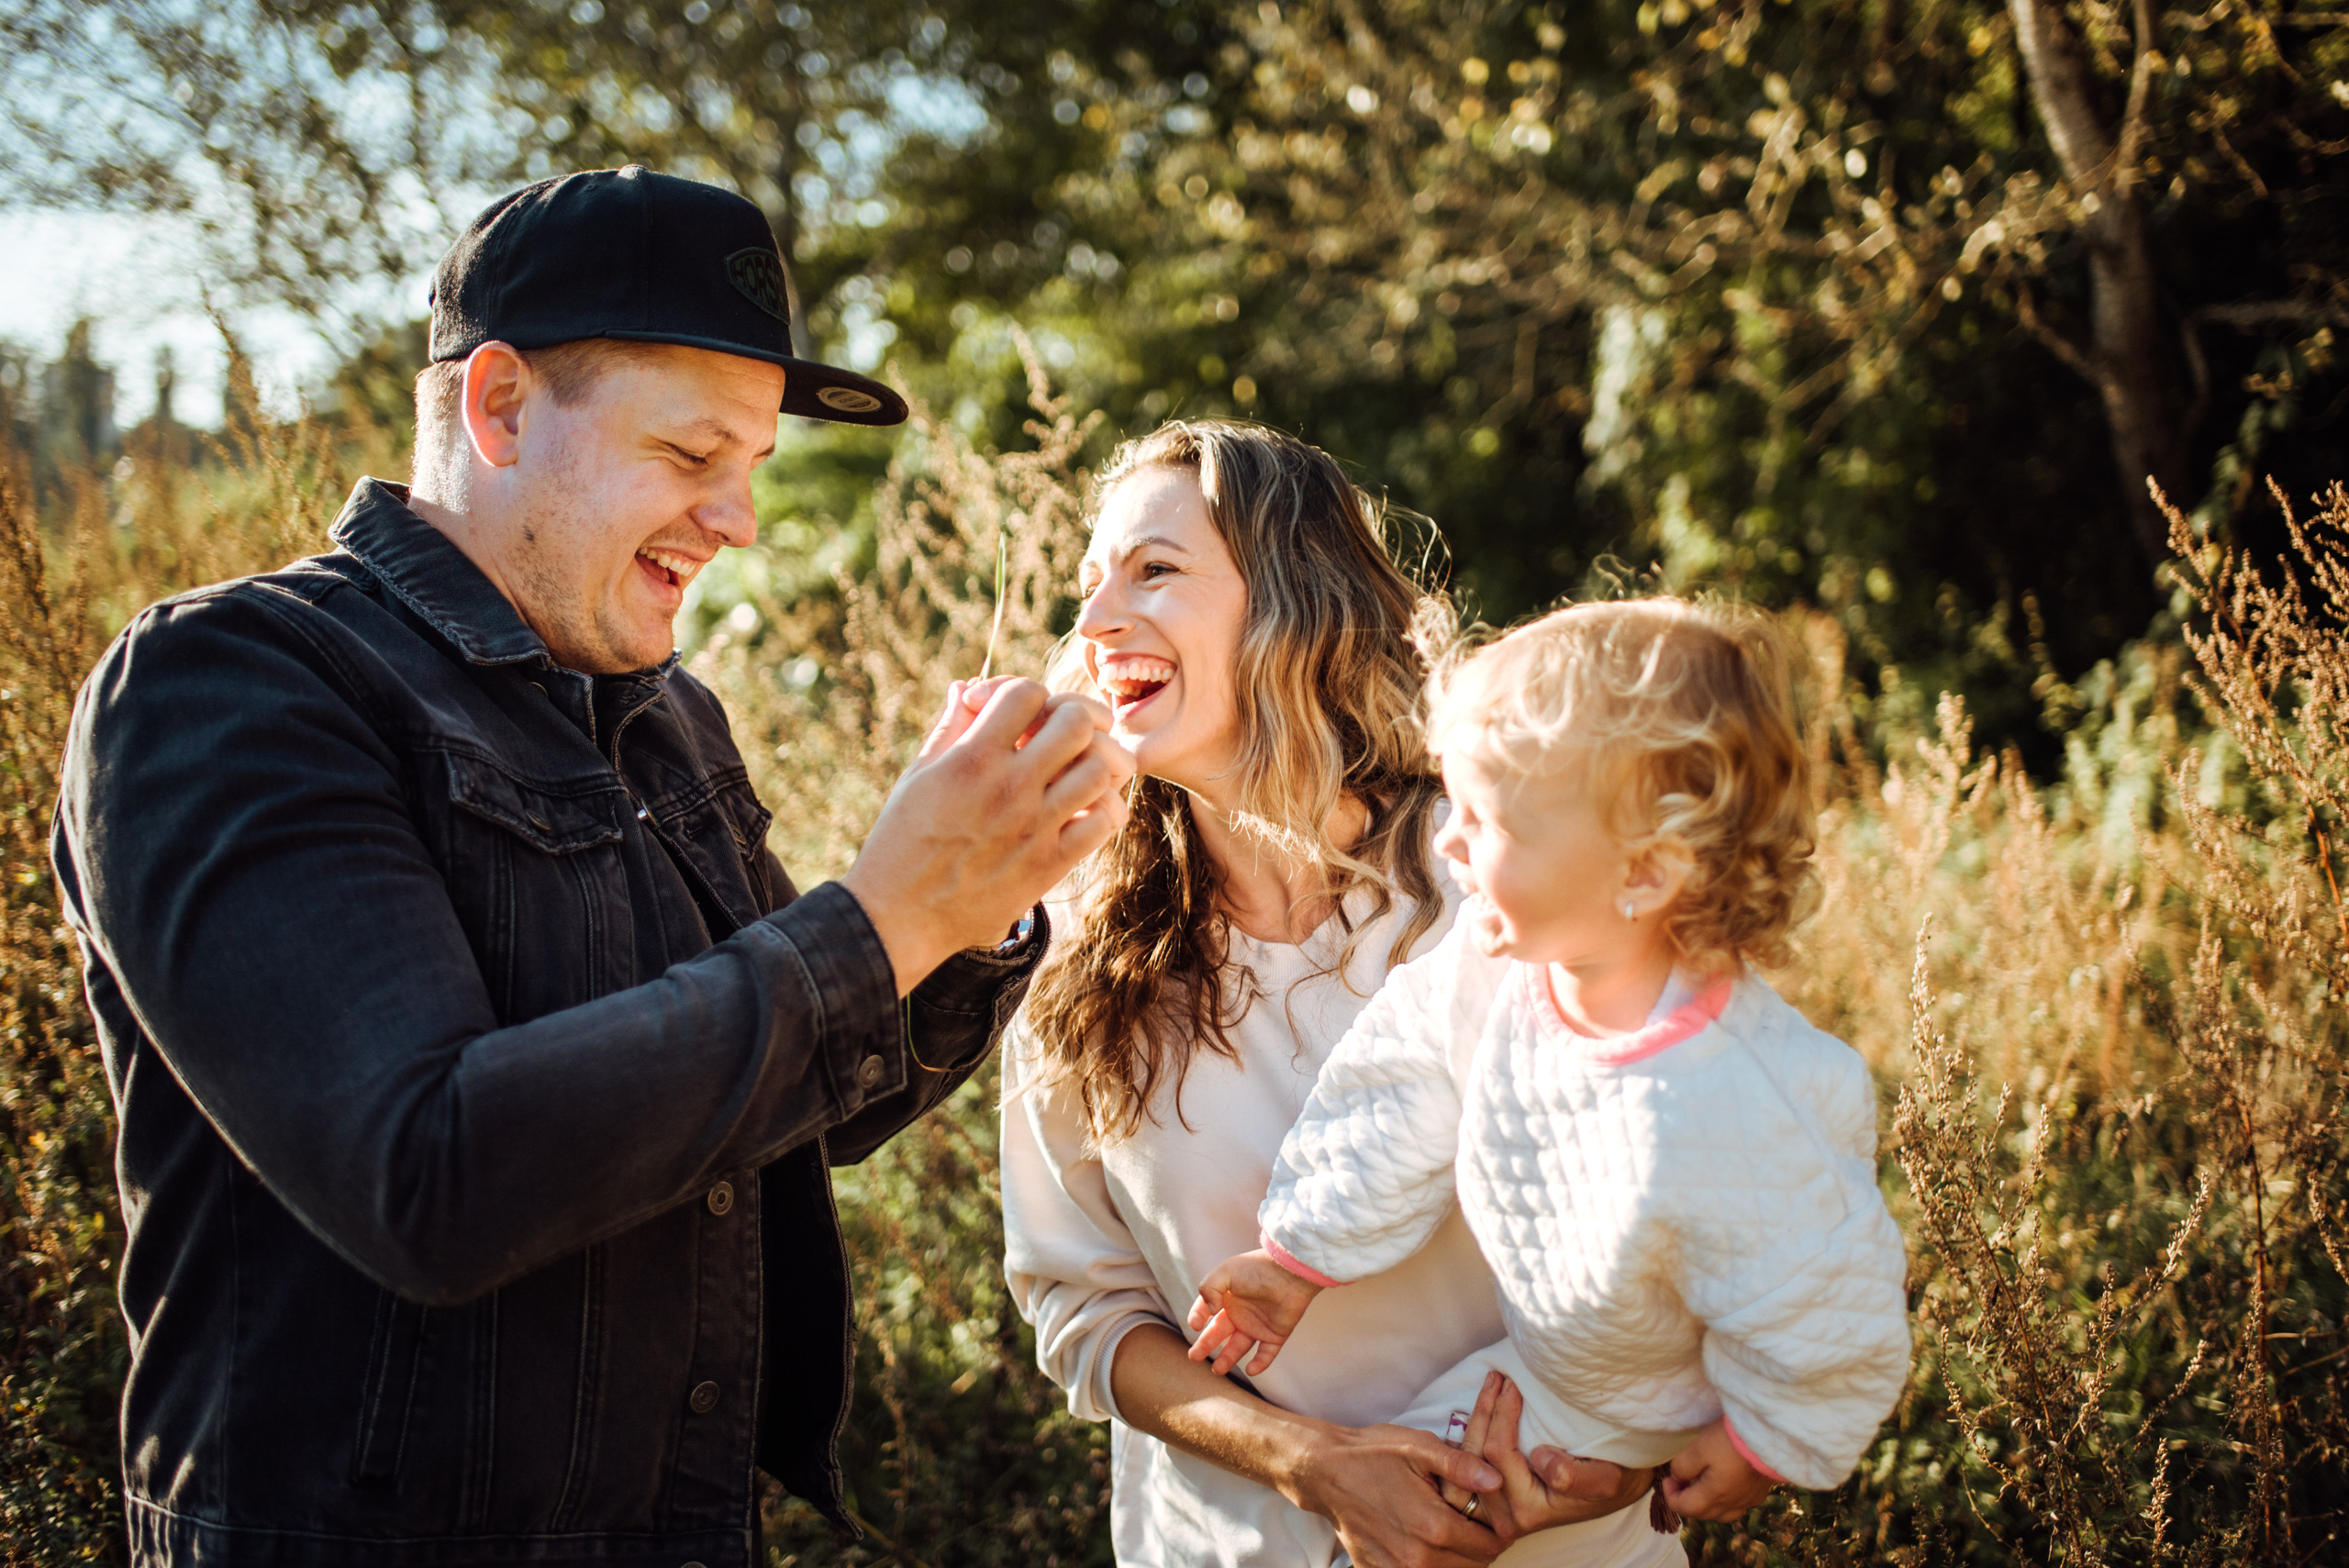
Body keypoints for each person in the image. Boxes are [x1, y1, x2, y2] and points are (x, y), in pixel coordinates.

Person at [51, 166, 1130, 1568]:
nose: (738, 520)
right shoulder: (228, 685)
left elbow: (792, 1107)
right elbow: (425, 1175)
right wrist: (883, 917)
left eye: (755, 466)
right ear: (499, 406)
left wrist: (973, 908)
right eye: (691, 455)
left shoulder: (670, 718)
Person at [1000, 420, 1663, 1568]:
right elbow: (1084, 1304)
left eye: (1153, 569)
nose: (1095, 618)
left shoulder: (1502, 882)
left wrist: (1634, 1453)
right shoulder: (1069, 944)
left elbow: (1688, 1192)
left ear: (1294, 601)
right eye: (1088, 581)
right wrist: (1305, 1461)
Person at [1186, 600, 1912, 1551]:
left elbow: (1826, 1295)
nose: (1447, 840)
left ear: (1642, 873)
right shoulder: (1500, 969)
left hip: (1621, 1403)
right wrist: (1297, 1258)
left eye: (1486, 819)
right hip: (1541, 1354)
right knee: (1391, 1504)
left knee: (1418, 1522)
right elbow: (1398, 1084)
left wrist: (1763, 1441)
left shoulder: (1730, 1098)